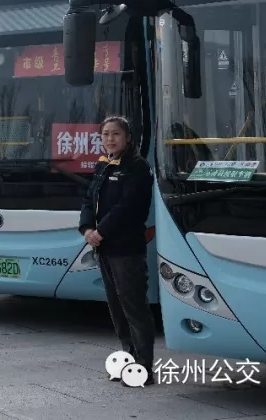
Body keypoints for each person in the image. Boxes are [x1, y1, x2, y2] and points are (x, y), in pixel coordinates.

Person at [79, 115, 156, 387]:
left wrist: (101, 231)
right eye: (105, 134)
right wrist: (86, 228)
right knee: (116, 307)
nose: (110, 139)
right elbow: (89, 199)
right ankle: (128, 357)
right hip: (105, 248)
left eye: (116, 134)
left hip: (126, 248)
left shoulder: (137, 167)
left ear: (128, 138)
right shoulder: (103, 165)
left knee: (134, 306)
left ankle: (144, 367)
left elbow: (127, 207)